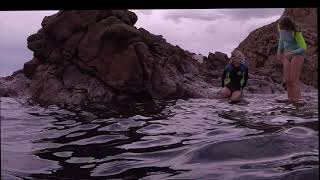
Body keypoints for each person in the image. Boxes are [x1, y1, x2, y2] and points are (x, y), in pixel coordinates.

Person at [276, 16, 307, 103]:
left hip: (297, 55)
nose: (280, 28)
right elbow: (281, 41)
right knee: (288, 82)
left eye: (282, 26)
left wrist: (292, 53)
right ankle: (290, 101)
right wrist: (278, 52)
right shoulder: (281, 31)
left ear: (287, 25)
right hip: (286, 56)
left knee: (294, 81)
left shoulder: (296, 32)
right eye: (280, 26)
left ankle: (298, 102)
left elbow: (304, 47)